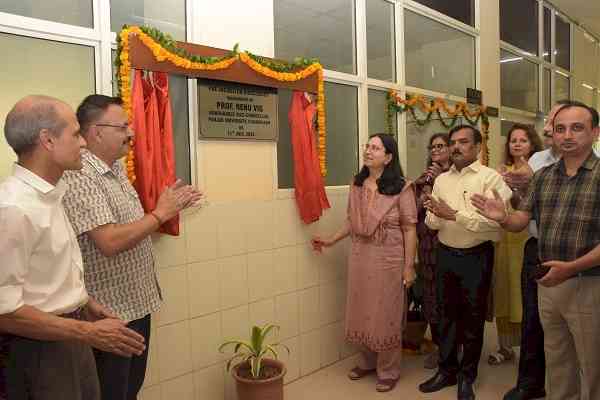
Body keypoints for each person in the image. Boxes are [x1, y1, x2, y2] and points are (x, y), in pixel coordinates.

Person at [0, 95, 146, 400]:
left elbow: (44, 275)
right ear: (48, 140)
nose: (83, 143)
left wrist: (84, 303)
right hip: (39, 352)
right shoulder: (13, 208)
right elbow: (4, 311)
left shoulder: (50, 195)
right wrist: (88, 333)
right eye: (76, 134)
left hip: (70, 335)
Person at [61, 95, 202, 400]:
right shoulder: (81, 176)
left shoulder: (116, 169)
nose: (131, 133)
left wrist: (169, 207)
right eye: (123, 126)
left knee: (129, 390)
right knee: (112, 393)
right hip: (109, 315)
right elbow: (109, 242)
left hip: (135, 304)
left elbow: (131, 230)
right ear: (97, 132)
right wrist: (160, 214)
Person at [472, 101, 600, 400]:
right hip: (549, 283)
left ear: (595, 132)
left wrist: (572, 267)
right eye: (560, 129)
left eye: (577, 128)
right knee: (557, 360)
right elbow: (520, 221)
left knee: (592, 364)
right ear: (552, 135)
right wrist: (502, 215)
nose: (567, 135)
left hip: (589, 283)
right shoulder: (543, 177)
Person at [311, 133, 417, 393]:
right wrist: (331, 240)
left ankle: (389, 369)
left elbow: (410, 228)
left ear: (388, 157)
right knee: (362, 307)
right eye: (367, 146)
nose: (368, 151)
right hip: (361, 256)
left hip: (389, 257)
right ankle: (367, 361)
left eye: (375, 148)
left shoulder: (402, 187)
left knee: (387, 312)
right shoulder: (357, 184)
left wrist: (409, 266)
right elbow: (351, 221)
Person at [418, 125, 512, 400]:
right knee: (446, 316)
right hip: (445, 254)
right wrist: (435, 214)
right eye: (453, 142)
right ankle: (446, 371)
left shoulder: (491, 179)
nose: (456, 147)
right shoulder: (442, 180)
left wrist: (453, 214)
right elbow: (431, 222)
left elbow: (497, 226)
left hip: (477, 257)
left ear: (477, 147)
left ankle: (466, 377)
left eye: (463, 142)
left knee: (472, 320)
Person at [499, 100, 568, 400]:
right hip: (537, 246)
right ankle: (530, 383)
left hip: (576, 250)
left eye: (559, 120)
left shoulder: (593, 162)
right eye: (551, 120)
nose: (551, 125)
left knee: (577, 323)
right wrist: (515, 190)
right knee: (533, 319)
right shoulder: (538, 158)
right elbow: (525, 206)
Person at [488, 123, 542, 367]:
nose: (517, 144)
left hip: (526, 240)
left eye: (523, 140)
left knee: (525, 297)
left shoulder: (541, 170)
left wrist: (517, 188)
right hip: (504, 239)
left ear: (533, 144)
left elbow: (528, 208)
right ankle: (505, 347)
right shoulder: (501, 171)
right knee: (504, 292)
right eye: (513, 140)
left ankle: (532, 350)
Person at [414, 133, 451, 369]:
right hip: (426, 247)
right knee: (431, 300)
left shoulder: (456, 177)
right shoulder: (424, 177)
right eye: (433, 146)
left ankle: (453, 348)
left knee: (448, 299)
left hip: (448, 245)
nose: (436, 150)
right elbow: (414, 209)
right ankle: (439, 347)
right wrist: (426, 185)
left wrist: (440, 181)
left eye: (441, 146)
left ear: (450, 149)